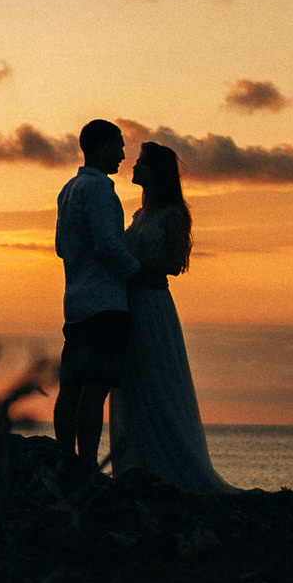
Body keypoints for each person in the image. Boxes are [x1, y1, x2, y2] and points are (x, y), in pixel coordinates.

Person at [109, 141, 238, 494]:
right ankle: (135, 461)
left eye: (142, 162)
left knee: (156, 378)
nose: (134, 167)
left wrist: (133, 269)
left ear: (156, 172)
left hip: (152, 303)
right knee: (133, 381)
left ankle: (168, 464)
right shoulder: (139, 216)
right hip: (129, 303)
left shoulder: (173, 215)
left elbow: (174, 265)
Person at [55, 119, 141, 469]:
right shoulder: (100, 191)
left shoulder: (69, 189)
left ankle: (65, 459)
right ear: (102, 146)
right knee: (95, 388)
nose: (122, 154)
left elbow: (62, 247)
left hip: (75, 301)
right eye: (118, 146)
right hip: (105, 303)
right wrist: (138, 273)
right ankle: (87, 466)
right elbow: (108, 245)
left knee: (71, 387)